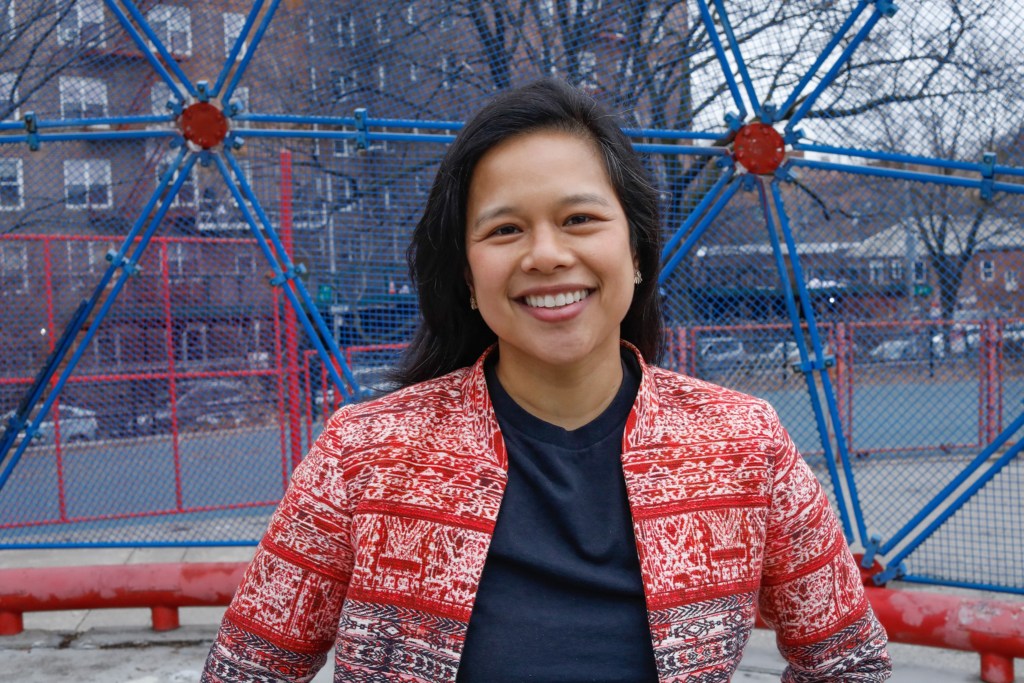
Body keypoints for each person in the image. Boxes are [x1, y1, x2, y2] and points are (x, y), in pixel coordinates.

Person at [202, 79, 891, 682]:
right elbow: (247, 667)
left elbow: (847, 659)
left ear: (637, 249)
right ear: (467, 276)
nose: (547, 254)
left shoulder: (743, 443)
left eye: (579, 219)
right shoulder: (367, 453)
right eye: (505, 230)